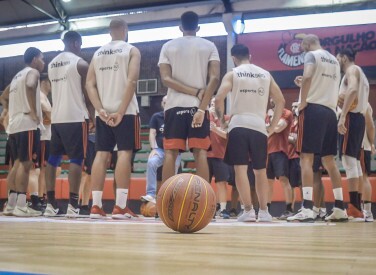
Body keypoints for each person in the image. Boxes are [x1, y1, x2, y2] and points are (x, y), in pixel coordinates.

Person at [215, 44, 285, 222]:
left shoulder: (233, 74)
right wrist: (272, 126)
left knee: (240, 169)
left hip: (238, 124)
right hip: (259, 126)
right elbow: (280, 100)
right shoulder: (265, 74)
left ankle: (247, 211)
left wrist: (222, 121)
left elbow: (218, 98)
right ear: (250, 56)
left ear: (233, 58)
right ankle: (263, 212)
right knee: (260, 171)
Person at [287, 34, 348, 222]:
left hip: (313, 110)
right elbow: (319, 82)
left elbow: (307, 78)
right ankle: (340, 207)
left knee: (305, 158)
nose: (301, 47)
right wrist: (306, 86)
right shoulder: (334, 61)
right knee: (329, 161)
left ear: (308, 43)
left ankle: (307, 208)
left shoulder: (311, 55)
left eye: (302, 44)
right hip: (330, 112)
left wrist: (303, 101)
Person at [86, 19, 141, 219]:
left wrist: (99, 109)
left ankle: (96, 206)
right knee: (124, 153)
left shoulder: (97, 53)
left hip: (103, 113)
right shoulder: (132, 50)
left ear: (110, 32)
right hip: (124, 112)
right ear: (125, 30)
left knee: (101, 155)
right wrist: (121, 110)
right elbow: (132, 81)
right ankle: (120, 206)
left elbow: (89, 84)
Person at [158, 11, 220, 184]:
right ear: (198, 27)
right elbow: (214, 78)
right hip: (198, 106)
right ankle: (203, 201)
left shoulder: (168, 46)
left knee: (170, 153)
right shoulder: (209, 46)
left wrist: (192, 91)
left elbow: (166, 79)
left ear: (180, 27)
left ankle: (166, 200)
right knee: (200, 152)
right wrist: (200, 103)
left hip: (173, 106)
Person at [44, 31, 92, 217]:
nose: (80, 48)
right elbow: (87, 95)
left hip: (57, 118)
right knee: (76, 160)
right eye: (80, 44)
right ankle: (73, 205)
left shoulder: (51, 64)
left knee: (53, 160)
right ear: (75, 43)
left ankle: (50, 204)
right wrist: (94, 117)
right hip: (75, 116)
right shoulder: (80, 63)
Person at [3, 47, 44, 217]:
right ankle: (21, 204)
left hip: (14, 124)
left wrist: (9, 111)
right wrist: (33, 112)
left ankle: (11, 204)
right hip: (26, 122)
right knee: (26, 164)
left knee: (18, 163)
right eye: (42, 59)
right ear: (34, 59)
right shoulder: (32, 72)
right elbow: (30, 85)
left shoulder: (16, 76)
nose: (43, 62)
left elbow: (2, 97)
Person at [337, 48, 369, 219]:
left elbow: (353, 90)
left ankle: (354, 207)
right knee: (354, 161)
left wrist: (342, 116)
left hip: (351, 117)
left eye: (337, 58)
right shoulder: (360, 72)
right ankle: (356, 207)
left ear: (343, 57)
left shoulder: (351, 70)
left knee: (348, 160)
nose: (336, 61)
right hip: (359, 118)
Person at [140, 96, 181, 204]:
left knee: (174, 171)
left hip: (174, 151)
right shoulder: (156, 117)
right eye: (164, 102)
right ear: (162, 104)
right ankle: (151, 194)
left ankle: (171, 196)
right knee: (151, 162)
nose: (167, 104)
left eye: (169, 102)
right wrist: (154, 148)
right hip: (160, 150)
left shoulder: (178, 116)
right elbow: (152, 133)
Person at [266, 99, 294, 220]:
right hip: (267, 151)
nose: (273, 99)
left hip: (280, 150)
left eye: (275, 97)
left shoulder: (286, 113)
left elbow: (278, 128)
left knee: (283, 179)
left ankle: (289, 209)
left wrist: (270, 123)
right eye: (271, 97)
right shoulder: (266, 115)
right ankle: (266, 210)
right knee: (268, 182)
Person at [207, 97, 232, 219]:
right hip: (206, 155)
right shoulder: (205, 118)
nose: (213, 106)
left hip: (221, 155)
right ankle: (206, 208)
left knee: (222, 183)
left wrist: (216, 129)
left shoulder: (226, 119)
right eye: (211, 104)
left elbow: (228, 136)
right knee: (205, 183)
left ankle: (223, 209)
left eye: (216, 103)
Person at [360, 103, 374, 222]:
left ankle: (368, 211)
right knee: (359, 177)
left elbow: (370, 126)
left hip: (363, 146)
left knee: (364, 177)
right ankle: (361, 209)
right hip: (359, 146)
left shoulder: (364, 104)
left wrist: (372, 144)